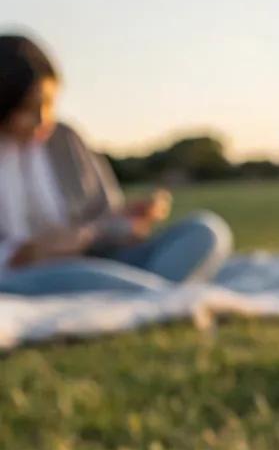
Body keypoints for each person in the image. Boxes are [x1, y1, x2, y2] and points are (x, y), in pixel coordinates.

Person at [0, 35, 233, 295]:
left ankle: (144, 296)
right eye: (29, 108)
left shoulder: (65, 139)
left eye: (49, 104)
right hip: (24, 274)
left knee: (205, 231)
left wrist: (125, 219)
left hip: (99, 261)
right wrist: (27, 252)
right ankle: (157, 297)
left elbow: (103, 223)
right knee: (80, 277)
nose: (42, 119)